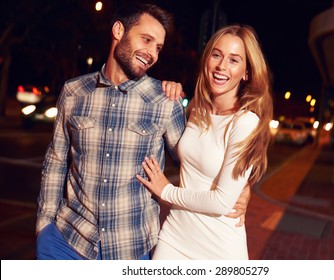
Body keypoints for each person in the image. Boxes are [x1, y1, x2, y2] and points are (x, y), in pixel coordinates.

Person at [35, 2, 249, 260]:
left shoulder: (164, 101)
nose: (152, 53)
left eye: (158, 47)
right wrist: (44, 226)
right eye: (146, 40)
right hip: (67, 243)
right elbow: (56, 162)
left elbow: (198, 159)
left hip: (130, 250)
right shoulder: (73, 92)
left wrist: (241, 185)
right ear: (118, 31)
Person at [137, 24, 273, 259]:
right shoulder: (196, 110)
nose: (221, 66)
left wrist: (166, 191)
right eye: (217, 55)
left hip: (217, 248)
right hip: (174, 236)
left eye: (234, 60)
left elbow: (221, 202)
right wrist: (171, 87)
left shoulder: (245, 122)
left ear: (247, 72)